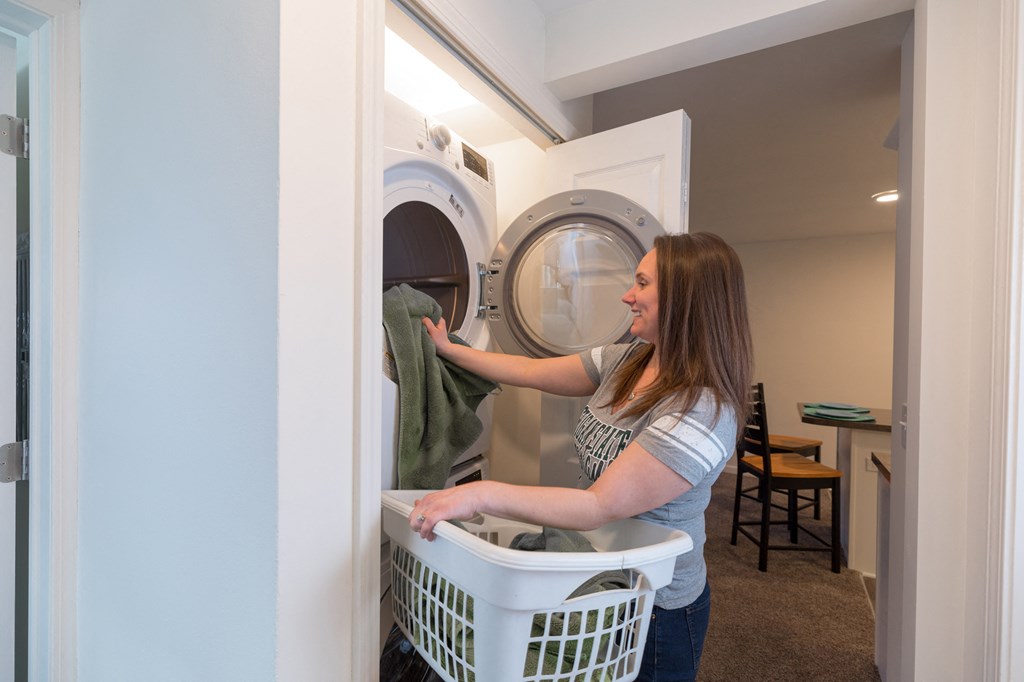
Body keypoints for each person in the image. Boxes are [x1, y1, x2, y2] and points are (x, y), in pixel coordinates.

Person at [410, 231, 753, 682]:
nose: (628, 296)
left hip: (654, 607)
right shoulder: (628, 360)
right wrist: (451, 350)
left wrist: (479, 495)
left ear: (685, 297)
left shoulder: (703, 411)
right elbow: (530, 371)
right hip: (598, 577)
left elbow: (598, 505)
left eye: (643, 284)